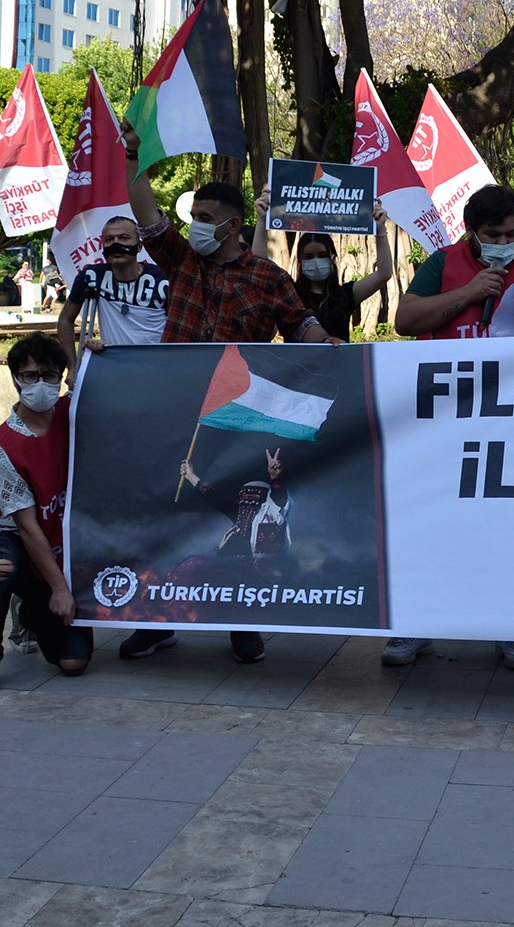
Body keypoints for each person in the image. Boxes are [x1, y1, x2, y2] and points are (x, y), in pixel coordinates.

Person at [115, 128, 342, 664]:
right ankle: (156, 617)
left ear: (234, 225)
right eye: (192, 215)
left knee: (239, 519)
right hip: (176, 411)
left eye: (203, 217)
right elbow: (144, 209)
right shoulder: (178, 260)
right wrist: (134, 156)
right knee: (164, 509)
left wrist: (328, 343)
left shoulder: (267, 277)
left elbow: (302, 324)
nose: (193, 225)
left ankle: (242, 620)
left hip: (238, 424)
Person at [386, 184, 514, 671]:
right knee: (434, 524)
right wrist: (468, 292)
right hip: (447, 423)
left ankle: (509, 624)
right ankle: (416, 626)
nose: (505, 242)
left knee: (509, 528)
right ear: (472, 230)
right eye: (494, 234)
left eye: (512, 233)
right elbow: (405, 320)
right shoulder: (442, 264)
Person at [0, 334, 92, 696]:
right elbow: (28, 528)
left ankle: (29, 611)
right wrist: (60, 590)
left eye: (49, 374)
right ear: (15, 378)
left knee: (73, 662)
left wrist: (100, 355)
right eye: (30, 375)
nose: (40, 383)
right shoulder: (5, 446)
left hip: (62, 540)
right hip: (15, 536)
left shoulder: (72, 414)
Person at [253, 196, 395, 342]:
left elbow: (384, 273)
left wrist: (380, 228)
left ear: (332, 257)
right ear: (300, 261)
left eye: (322, 255)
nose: (316, 260)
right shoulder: (291, 295)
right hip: (299, 364)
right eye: (309, 256)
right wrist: (262, 219)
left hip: (337, 364)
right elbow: (260, 269)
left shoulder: (345, 295)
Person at [57, 215, 171, 370]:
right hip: (115, 367)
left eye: (124, 238)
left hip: (158, 366)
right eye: (109, 239)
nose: (116, 244)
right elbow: (65, 320)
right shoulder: (91, 277)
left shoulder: (162, 278)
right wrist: (72, 367)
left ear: (139, 246)